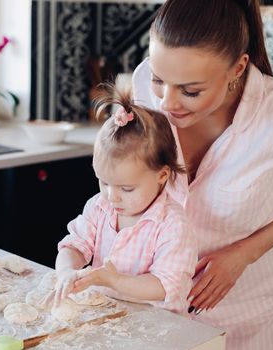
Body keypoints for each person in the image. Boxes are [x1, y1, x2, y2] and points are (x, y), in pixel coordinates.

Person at [131, 0, 273, 349]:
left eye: (191, 90)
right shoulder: (142, 85)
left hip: (242, 319)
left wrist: (244, 253)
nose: (167, 102)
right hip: (149, 310)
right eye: (158, 79)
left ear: (238, 68)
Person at [53, 83, 197, 315]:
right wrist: (66, 271)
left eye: (127, 188)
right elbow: (75, 245)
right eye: (104, 182)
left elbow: (165, 285)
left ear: (162, 175)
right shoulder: (100, 207)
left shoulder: (172, 224)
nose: (112, 196)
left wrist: (112, 280)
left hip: (158, 327)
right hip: (108, 315)